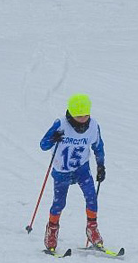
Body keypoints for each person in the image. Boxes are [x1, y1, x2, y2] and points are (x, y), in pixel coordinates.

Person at [39, 94, 106, 252]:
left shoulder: (93, 126)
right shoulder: (61, 124)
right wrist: (53, 138)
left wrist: (101, 166)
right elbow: (43, 145)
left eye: (85, 115)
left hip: (81, 169)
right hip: (62, 170)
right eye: (78, 116)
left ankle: (92, 229)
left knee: (91, 198)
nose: (82, 119)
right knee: (59, 203)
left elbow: (98, 147)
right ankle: (52, 231)